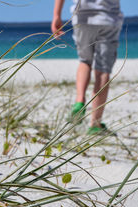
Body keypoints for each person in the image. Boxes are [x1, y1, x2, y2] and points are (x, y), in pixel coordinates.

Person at [51, 0, 123, 134]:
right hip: (107, 18)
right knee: (102, 71)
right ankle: (95, 124)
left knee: (85, 61)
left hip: (82, 18)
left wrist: (56, 15)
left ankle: (79, 101)